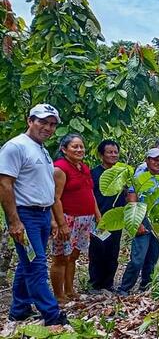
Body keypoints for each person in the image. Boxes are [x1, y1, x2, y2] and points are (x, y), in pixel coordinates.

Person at [0, 104, 68, 325]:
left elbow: (42, 186)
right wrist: (14, 221)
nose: (47, 128)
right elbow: (4, 184)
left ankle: (19, 309)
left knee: (27, 264)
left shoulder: (42, 149)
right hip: (25, 216)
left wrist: (51, 218)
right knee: (37, 265)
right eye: (42, 122)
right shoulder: (16, 146)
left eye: (52, 124)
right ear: (30, 120)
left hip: (41, 215)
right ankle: (52, 314)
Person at [51, 134, 101, 303]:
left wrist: (97, 214)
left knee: (73, 256)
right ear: (64, 149)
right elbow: (55, 198)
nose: (79, 150)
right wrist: (61, 223)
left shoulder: (84, 167)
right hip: (67, 218)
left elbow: (90, 192)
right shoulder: (60, 168)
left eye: (81, 146)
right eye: (75, 147)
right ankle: (59, 295)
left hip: (85, 220)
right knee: (60, 258)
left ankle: (70, 291)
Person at [117, 148, 159, 296]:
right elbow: (132, 200)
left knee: (153, 257)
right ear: (147, 160)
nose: (158, 163)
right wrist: (138, 223)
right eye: (154, 159)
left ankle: (145, 286)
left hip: (157, 222)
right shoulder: (139, 177)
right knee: (138, 258)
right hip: (142, 220)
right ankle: (124, 288)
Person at [89, 140, 127, 293]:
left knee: (113, 251)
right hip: (99, 219)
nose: (113, 155)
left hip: (117, 219)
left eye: (115, 152)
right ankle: (95, 284)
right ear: (101, 155)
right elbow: (90, 196)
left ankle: (108, 283)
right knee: (98, 250)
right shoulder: (95, 173)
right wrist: (97, 216)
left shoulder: (122, 172)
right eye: (109, 152)